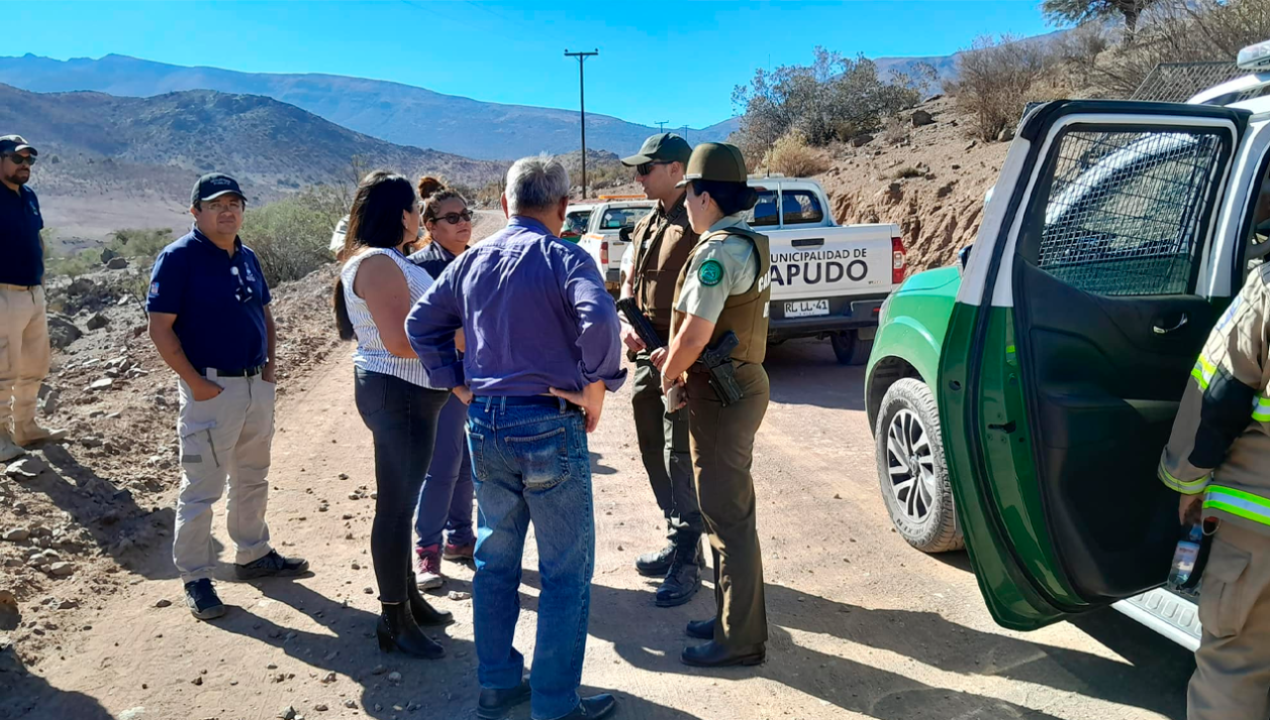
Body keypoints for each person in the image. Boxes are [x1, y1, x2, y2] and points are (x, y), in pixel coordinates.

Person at [407, 156, 624, 720]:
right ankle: (554, 704)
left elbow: (419, 324)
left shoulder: (471, 260)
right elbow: (599, 318)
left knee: (495, 562)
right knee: (564, 570)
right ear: (563, 208)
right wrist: (599, 383)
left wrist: (455, 384)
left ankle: (498, 683)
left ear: (504, 205)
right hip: (548, 421)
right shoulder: (563, 256)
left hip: (487, 424)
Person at [147, 173, 308, 621]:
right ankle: (196, 576)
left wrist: (271, 368)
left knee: (253, 475)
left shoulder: (248, 256)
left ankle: (253, 553)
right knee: (202, 488)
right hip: (212, 389)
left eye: (235, 203)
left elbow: (264, 315)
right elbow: (159, 329)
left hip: (256, 384)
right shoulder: (179, 258)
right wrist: (195, 383)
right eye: (216, 204)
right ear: (195, 211)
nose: (227, 211)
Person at [654, 142, 771, 668]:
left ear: (704, 197)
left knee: (727, 516)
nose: (687, 207)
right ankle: (731, 620)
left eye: (690, 196)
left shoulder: (719, 251)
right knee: (725, 511)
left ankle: (739, 639)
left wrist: (667, 372)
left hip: (722, 394)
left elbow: (696, 334)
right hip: (734, 386)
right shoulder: (747, 241)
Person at [334, 171, 455, 658]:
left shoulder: (387, 260)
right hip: (398, 394)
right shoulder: (380, 263)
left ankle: (409, 601)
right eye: (413, 207)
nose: (418, 215)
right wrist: (461, 344)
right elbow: (400, 341)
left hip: (407, 395)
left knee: (401, 503)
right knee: (395, 508)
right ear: (400, 213)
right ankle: (394, 618)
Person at [1158, 261, 1270, 720]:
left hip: (1256, 528)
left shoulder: (1266, 288)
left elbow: (1216, 393)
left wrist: (1188, 483)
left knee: (1233, 670)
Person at [617, 133, 704, 607]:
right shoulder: (648, 221)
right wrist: (625, 326)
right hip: (646, 351)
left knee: (679, 451)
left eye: (646, 169)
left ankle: (689, 555)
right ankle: (677, 534)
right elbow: (632, 281)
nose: (639, 177)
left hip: (680, 356)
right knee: (651, 440)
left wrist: (683, 358)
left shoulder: (696, 221)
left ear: (676, 169)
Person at [408, 176, 477, 589]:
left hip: (477, 376)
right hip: (440, 381)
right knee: (443, 466)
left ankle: (460, 538)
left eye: (466, 215)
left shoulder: (476, 260)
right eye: (452, 218)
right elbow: (419, 331)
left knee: (467, 463)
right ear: (430, 226)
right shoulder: (418, 269)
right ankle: (427, 551)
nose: (463, 222)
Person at [0, 134, 64, 462]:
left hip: (32, 293)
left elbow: (36, 237)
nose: (25, 165)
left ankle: (24, 427)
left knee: (34, 366)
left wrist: (40, 280)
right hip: (3, 294)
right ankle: (1, 437)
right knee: (3, 369)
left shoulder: (28, 196)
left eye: (30, 160)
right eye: (18, 158)